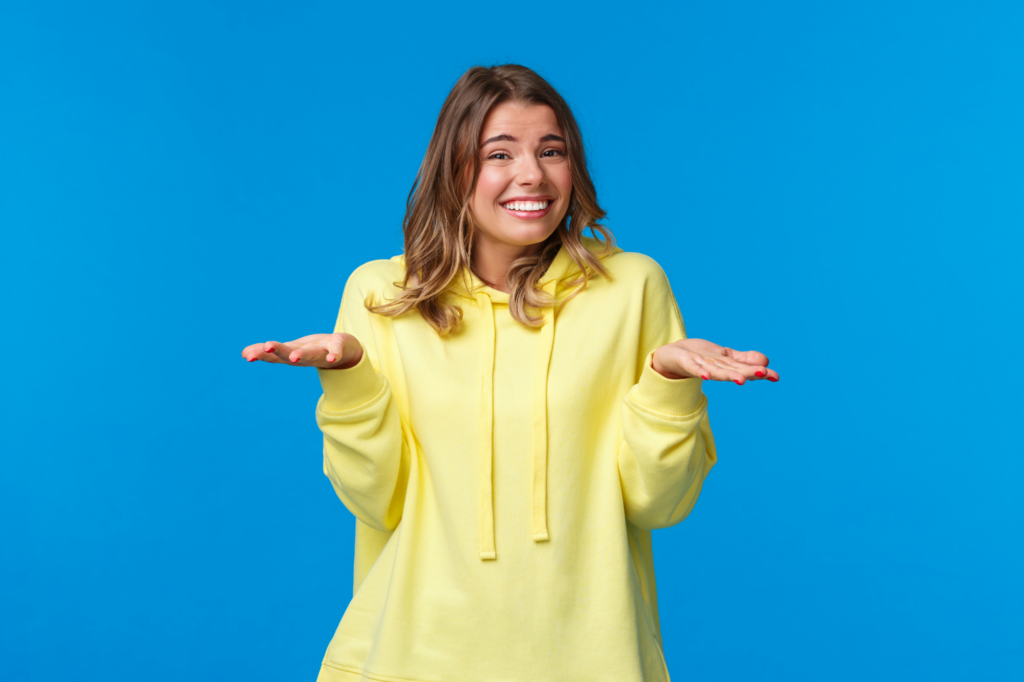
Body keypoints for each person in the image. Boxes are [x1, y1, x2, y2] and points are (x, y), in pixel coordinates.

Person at [241, 64, 778, 682]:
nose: (533, 174)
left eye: (552, 151)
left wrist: (667, 382)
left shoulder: (632, 288)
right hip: (411, 660)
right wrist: (352, 380)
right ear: (454, 169)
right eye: (500, 153)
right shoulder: (382, 294)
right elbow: (376, 502)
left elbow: (660, 504)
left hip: (592, 662)